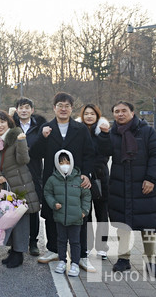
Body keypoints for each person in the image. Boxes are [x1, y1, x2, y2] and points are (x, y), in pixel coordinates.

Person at [29, 92, 94, 268]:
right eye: (60, 105)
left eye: (67, 106)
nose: (63, 109)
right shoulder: (47, 128)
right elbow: (34, 153)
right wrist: (42, 137)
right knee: (52, 214)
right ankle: (53, 249)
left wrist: (86, 174)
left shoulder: (80, 130)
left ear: (72, 108)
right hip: (53, 180)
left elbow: (89, 154)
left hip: (76, 180)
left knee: (80, 214)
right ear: (54, 108)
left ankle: (81, 255)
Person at [109, 101, 156, 277]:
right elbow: (100, 151)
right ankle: (123, 259)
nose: (120, 114)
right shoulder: (111, 133)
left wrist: (151, 178)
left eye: (124, 111)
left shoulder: (146, 131)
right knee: (122, 224)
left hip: (144, 186)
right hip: (120, 185)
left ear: (132, 113)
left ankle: (151, 261)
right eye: (116, 111)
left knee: (148, 225)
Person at [0, 111, 40, 268]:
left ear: (9, 123)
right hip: (5, 187)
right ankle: (13, 250)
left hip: (19, 185)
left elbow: (23, 160)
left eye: (3, 122)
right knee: (8, 219)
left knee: (21, 220)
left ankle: (19, 254)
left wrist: (22, 142)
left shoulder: (16, 137)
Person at [44, 151, 92, 277]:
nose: (64, 165)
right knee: (61, 240)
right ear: (56, 164)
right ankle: (62, 261)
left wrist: (84, 211)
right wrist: (53, 204)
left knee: (75, 241)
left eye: (67, 162)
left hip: (76, 218)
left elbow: (86, 195)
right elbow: (47, 193)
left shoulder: (79, 178)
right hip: (60, 217)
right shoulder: (52, 179)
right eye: (61, 163)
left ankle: (75, 263)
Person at [13, 97, 46, 256]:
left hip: (33, 172)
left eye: (27, 107)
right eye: (21, 107)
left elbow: (42, 149)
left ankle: (33, 242)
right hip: (16, 173)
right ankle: (17, 243)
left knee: (33, 209)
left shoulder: (39, 127)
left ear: (32, 110)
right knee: (15, 209)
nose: (24, 110)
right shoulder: (12, 127)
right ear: (16, 110)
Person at [79, 104, 112, 261]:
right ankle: (85, 246)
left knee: (102, 213)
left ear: (97, 116)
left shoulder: (103, 131)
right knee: (85, 214)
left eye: (92, 114)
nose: (89, 116)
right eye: (86, 114)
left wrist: (105, 135)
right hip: (83, 178)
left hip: (100, 178)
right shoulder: (79, 131)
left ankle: (102, 247)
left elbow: (106, 153)